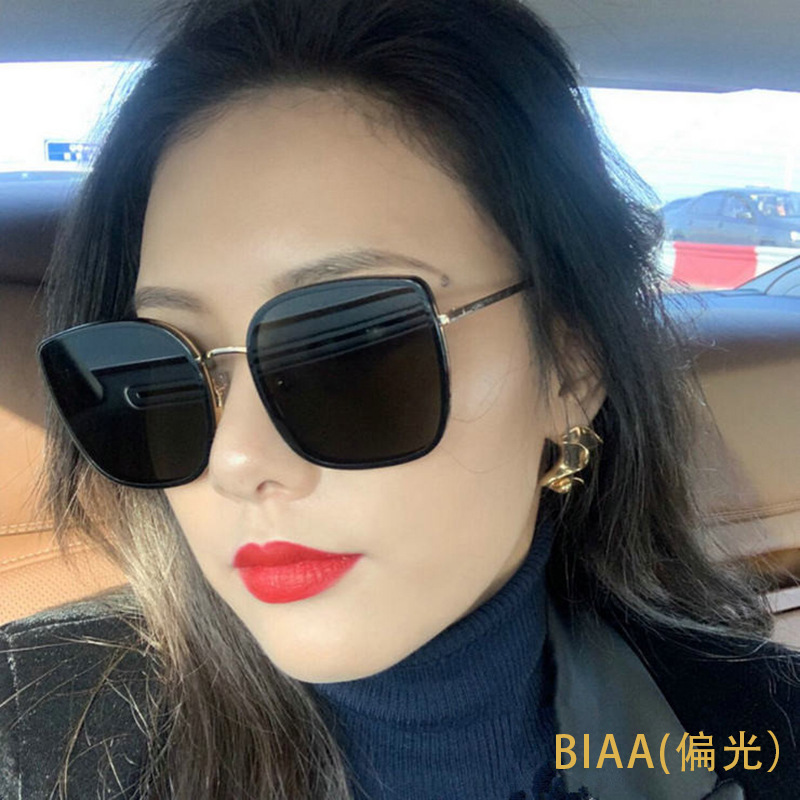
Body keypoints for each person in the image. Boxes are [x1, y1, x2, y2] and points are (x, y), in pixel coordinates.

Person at [1, 0, 798, 798]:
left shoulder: (764, 730)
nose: (234, 457)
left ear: (571, 370)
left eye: (352, 348)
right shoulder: (29, 734)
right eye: (161, 367)